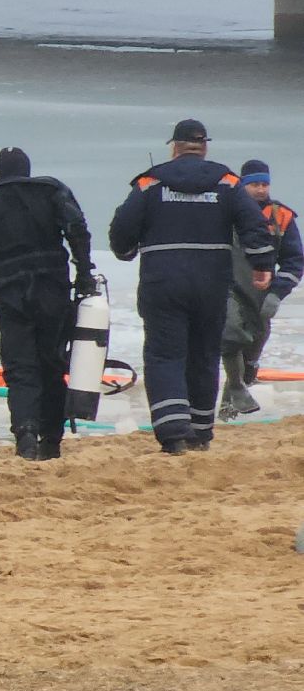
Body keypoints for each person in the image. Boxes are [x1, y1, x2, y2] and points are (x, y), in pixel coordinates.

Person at [109, 120, 274, 455]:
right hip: (210, 282)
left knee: (164, 354)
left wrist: (125, 252)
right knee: (204, 354)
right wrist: (262, 264)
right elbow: (254, 224)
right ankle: (200, 432)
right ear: (204, 147)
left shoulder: (150, 182)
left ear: (174, 147)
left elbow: (122, 230)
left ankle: (173, 434)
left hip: (163, 282)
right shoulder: (227, 182)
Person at [0, 147, 95, 461]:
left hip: (11, 297)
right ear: (27, 169)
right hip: (52, 291)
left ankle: (25, 437)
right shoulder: (51, 190)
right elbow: (78, 229)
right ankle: (51, 440)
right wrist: (83, 273)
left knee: (20, 368)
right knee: (52, 365)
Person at [221, 159, 304, 416]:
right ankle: (232, 396)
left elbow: (294, 261)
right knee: (231, 337)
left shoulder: (282, 216)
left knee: (252, 350)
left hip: (261, 294)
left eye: (264, 184)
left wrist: (277, 294)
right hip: (227, 289)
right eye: (254, 184)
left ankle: (232, 403)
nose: (260, 189)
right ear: (242, 185)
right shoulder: (225, 212)